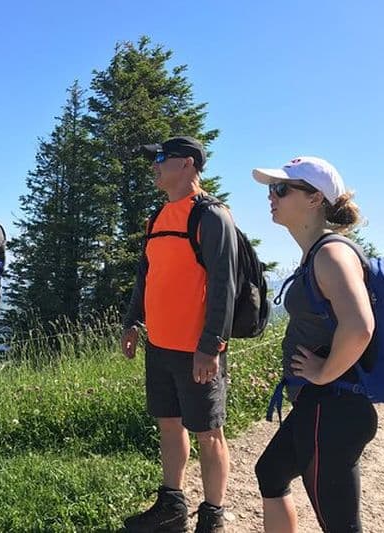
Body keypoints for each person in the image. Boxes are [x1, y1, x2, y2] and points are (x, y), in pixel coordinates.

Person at [252, 157, 377, 533]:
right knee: (270, 471)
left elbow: (359, 327)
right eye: (272, 188)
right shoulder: (317, 254)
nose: (271, 196)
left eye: (281, 189)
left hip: (334, 411)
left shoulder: (331, 253)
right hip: (323, 407)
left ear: (315, 199)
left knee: (341, 527)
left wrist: (323, 372)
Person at [121, 136, 237, 533]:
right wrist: (132, 321)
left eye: (160, 158)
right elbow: (146, 275)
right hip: (161, 345)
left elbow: (225, 286)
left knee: (209, 432)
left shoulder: (211, 215)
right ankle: (172, 506)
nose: (154, 164)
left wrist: (211, 346)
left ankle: (213, 516)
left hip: (197, 350)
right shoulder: (158, 218)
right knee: (169, 425)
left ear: (186, 164)